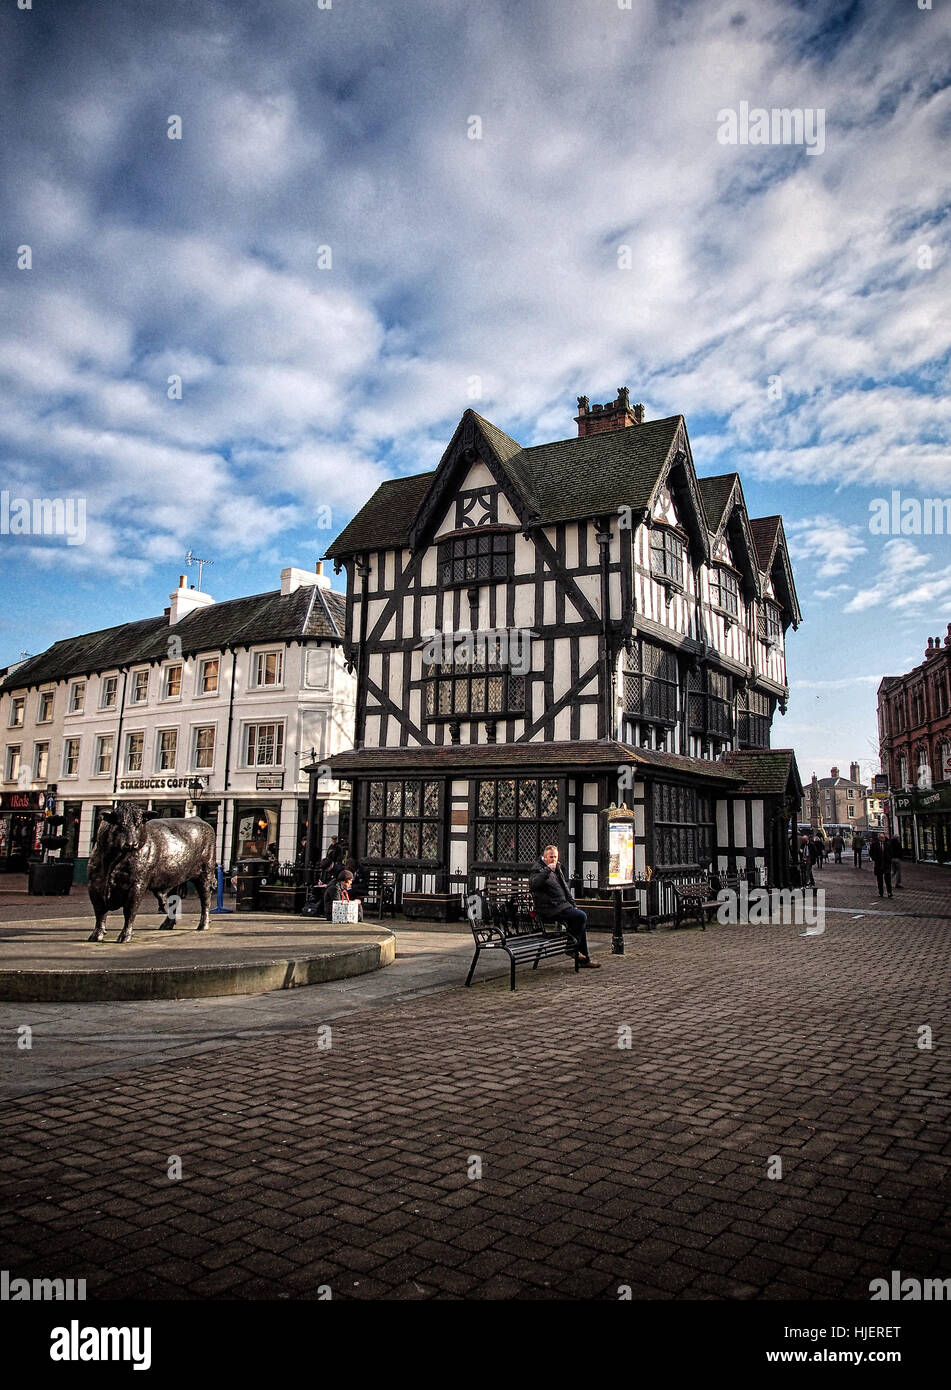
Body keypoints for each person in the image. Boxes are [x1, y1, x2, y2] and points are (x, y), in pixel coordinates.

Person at [529, 845, 600, 968]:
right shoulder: (538, 869)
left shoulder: (557, 868)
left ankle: (583, 958)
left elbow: (565, 889)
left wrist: (573, 905)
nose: (553, 859)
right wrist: (547, 871)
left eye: (555, 857)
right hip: (548, 908)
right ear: (544, 857)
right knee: (581, 917)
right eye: (551, 857)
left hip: (561, 906)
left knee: (579, 920)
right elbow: (534, 885)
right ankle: (571, 948)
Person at [868, 833, 893, 899]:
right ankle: (881, 892)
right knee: (880, 879)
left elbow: (891, 852)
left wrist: (889, 859)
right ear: (879, 838)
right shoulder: (875, 844)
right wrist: (874, 859)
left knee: (888, 879)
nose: (883, 839)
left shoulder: (888, 844)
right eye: (881, 838)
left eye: (883, 838)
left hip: (886, 864)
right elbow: (871, 852)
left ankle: (889, 892)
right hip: (878, 864)